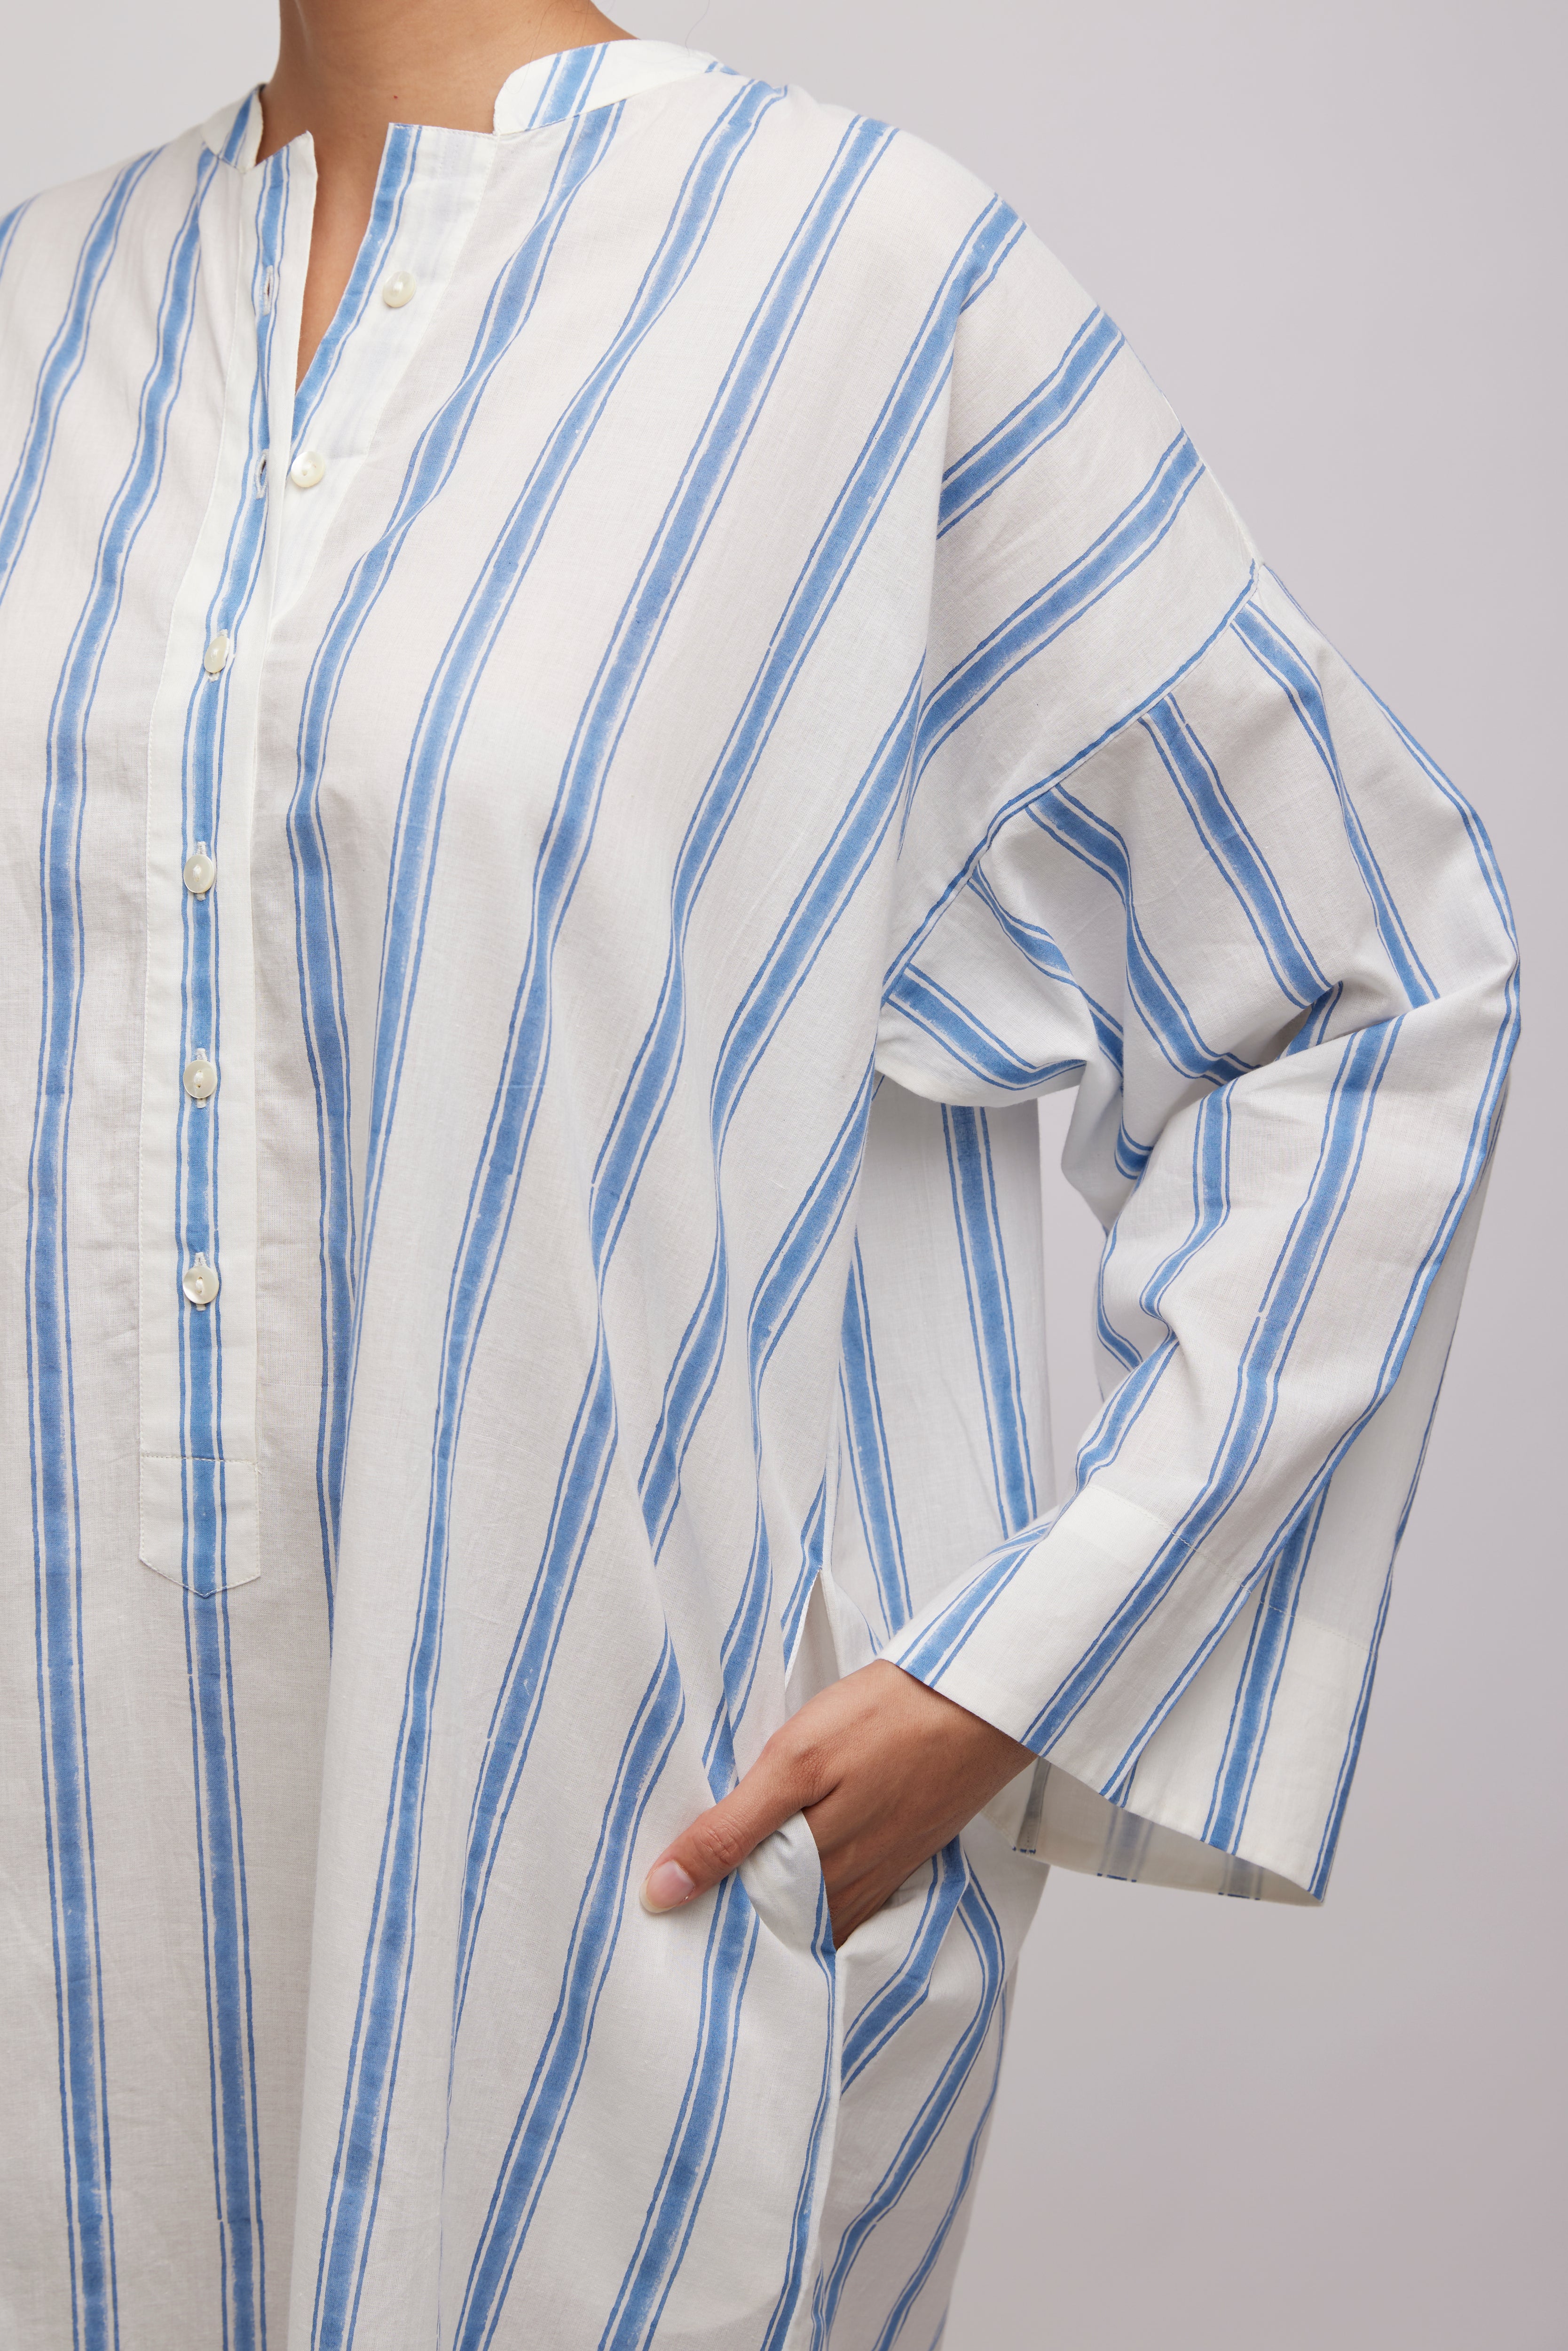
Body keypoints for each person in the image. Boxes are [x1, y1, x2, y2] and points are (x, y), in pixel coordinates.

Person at [0, 0, 1517, 2344]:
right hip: (63, 1921)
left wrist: (1008, 1677)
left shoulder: (852, 287)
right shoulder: (37, 312)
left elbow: (1363, 983)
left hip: (609, 1916)